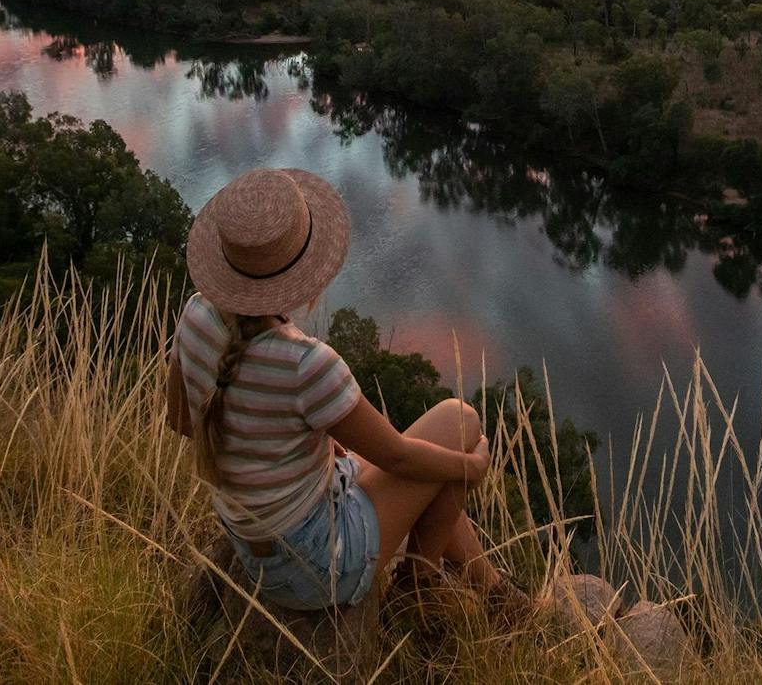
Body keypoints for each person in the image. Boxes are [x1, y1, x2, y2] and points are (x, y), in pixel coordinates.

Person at [164, 167, 514, 613]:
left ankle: (498, 593)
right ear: (304, 269)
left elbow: (179, 420)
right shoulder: (306, 364)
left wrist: (273, 458)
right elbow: (397, 457)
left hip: (255, 545)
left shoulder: (196, 315)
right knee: (460, 423)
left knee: (425, 465)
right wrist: (474, 466)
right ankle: (418, 593)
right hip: (315, 565)